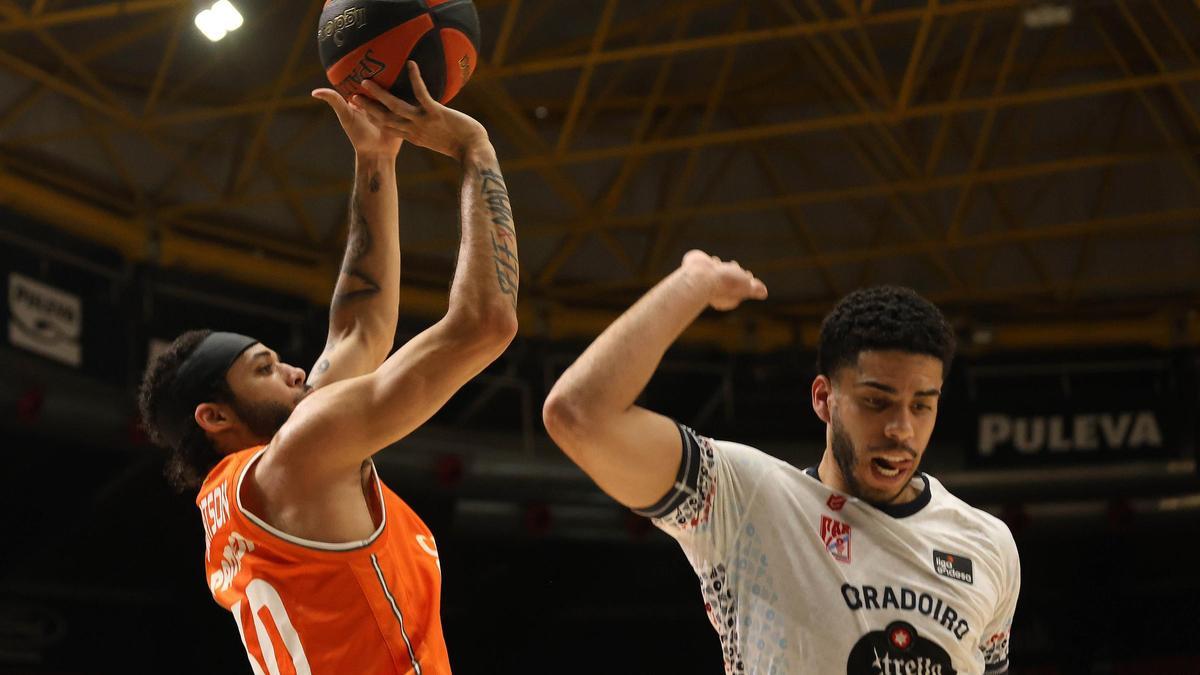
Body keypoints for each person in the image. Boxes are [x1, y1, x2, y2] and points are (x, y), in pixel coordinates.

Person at [138, 62, 519, 675]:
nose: (294, 371)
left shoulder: (248, 495)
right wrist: (474, 147)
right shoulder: (299, 457)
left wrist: (377, 160)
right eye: (264, 369)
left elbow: (358, 327)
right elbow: (487, 323)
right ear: (214, 415)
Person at [543, 250, 1020, 675]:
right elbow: (578, 413)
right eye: (877, 402)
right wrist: (695, 283)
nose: (901, 429)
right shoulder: (747, 499)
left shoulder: (988, 544)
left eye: (922, 405)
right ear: (823, 399)